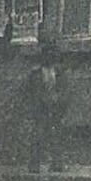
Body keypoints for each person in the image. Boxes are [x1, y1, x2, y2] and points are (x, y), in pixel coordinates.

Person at [25, 40, 67, 173]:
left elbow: (63, 89)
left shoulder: (58, 72)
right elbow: (32, 92)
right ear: (43, 56)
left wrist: (59, 102)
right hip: (41, 109)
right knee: (38, 136)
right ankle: (34, 164)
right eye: (47, 55)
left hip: (55, 108)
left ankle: (57, 163)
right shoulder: (36, 72)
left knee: (56, 135)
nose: (50, 57)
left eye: (53, 54)